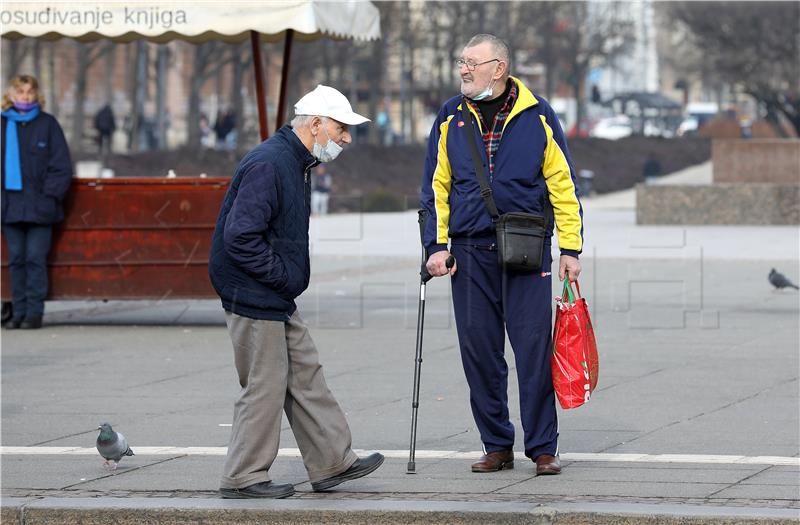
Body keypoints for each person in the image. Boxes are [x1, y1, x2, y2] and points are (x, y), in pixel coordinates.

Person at [208, 84, 384, 499]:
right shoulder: (272, 163)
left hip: (271, 292)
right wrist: (282, 276)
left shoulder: (293, 162)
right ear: (316, 124)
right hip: (254, 292)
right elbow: (239, 237)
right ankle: (243, 476)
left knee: (305, 374)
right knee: (265, 385)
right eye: (341, 128)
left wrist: (282, 280)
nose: (345, 139)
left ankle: (332, 462)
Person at [420, 34, 583, 476]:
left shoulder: (537, 114)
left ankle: (543, 447)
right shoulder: (451, 116)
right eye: (461, 62)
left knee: (533, 348)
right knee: (479, 350)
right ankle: (496, 443)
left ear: (500, 67)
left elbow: (563, 185)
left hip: (527, 248)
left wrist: (570, 247)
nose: (464, 70)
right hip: (470, 251)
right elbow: (435, 187)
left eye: (473, 62)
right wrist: (435, 246)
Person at [1, 75, 73, 329]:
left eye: (30, 92)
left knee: (35, 258)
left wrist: (48, 196)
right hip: (9, 207)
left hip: (40, 208)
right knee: (16, 259)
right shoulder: (2, 125)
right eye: (20, 92)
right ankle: (17, 311)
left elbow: (61, 166)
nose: (25, 97)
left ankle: (34, 312)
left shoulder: (48, 124)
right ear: (11, 94)